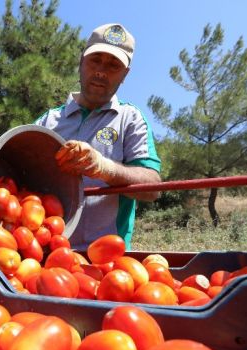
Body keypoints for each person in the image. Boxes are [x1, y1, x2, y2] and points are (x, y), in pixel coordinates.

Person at [35, 23, 162, 250]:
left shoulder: (130, 119)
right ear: (81, 62)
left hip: (106, 261)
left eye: (114, 65)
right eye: (95, 60)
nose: (102, 71)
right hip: (47, 255)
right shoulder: (47, 122)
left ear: (125, 75)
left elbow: (152, 188)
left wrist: (103, 167)